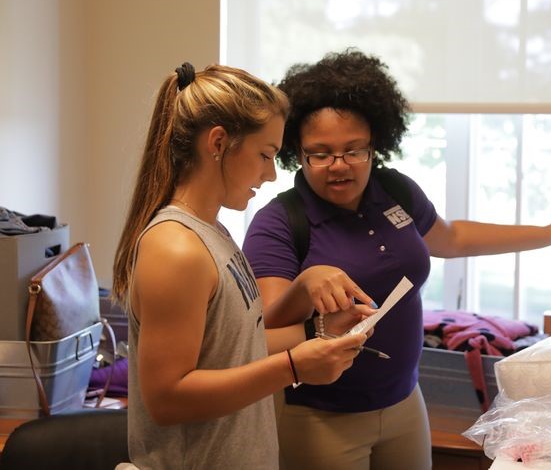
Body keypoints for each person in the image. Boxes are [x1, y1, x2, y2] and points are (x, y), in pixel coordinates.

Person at [242, 49, 551, 470]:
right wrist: (306, 282)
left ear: (376, 146)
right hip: (320, 417)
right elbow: (264, 332)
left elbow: (454, 238)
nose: (339, 166)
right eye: (321, 153)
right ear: (296, 152)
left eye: (354, 150)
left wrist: (549, 234)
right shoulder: (279, 223)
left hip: (406, 402)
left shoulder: (395, 191)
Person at [111, 62, 375, 469]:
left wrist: (315, 333)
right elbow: (167, 398)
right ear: (218, 142)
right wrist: (293, 368)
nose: (271, 174)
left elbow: (230, 347)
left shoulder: (213, 232)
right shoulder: (175, 249)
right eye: (265, 155)